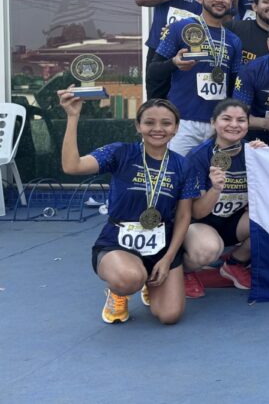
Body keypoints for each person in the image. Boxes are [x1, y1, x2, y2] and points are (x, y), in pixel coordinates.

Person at [58, 94, 199, 325]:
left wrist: (168, 258)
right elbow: (72, 166)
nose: (157, 129)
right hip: (118, 243)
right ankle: (118, 291)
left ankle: (148, 283)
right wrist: (73, 117)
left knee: (169, 316)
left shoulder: (183, 165)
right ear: (138, 126)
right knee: (130, 278)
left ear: (175, 128)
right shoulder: (121, 153)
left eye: (166, 123)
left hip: (160, 247)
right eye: (149, 122)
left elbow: (184, 216)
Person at [182, 99, 267, 298]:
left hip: (234, 223)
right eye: (226, 119)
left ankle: (235, 262)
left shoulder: (253, 152)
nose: (234, 125)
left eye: (241, 120)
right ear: (213, 122)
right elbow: (197, 212)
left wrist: (266, 159)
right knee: (208, 250)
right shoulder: (197, 157)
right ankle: (183, 271)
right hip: (200, 225)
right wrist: (215, 188)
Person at [154, 0, 243, 156]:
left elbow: (235, 85)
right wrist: (174, 63)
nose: (220, 0)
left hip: (217, 125)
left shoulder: (234, 40)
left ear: (231, 1)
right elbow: (153, 71)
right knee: (176, 177)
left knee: (214, 180)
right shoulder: (179, 28)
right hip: (183, 122)